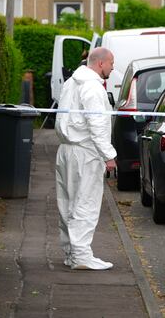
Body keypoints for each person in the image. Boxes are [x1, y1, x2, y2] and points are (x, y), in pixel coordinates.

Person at [54, 47, 118, 270]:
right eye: (111, 63)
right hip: (85, 151)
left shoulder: (72, 82)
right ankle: (81, 255)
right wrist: (108, 155)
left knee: (68, 202)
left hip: (66, 149)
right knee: (85, 201)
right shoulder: (92, 86)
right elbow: (97, 123)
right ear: (100, 63)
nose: (113, 67)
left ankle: (71, 252)